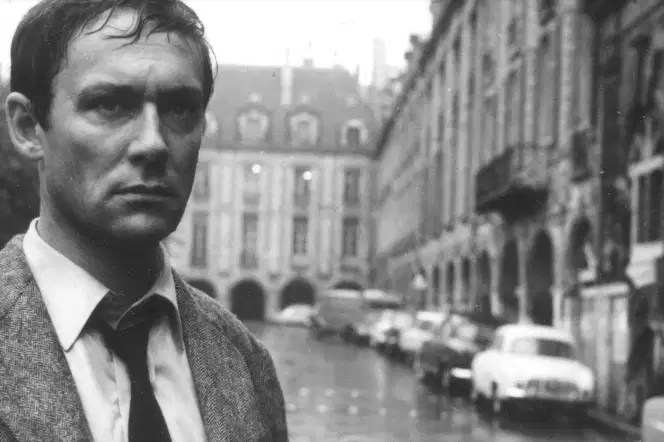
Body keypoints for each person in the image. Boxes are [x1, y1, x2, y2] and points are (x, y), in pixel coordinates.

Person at [0, 0, 288, 441]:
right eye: (110, 104)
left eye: (180, 109)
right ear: (27, 127)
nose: (153, 144)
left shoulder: (248, 361)